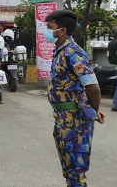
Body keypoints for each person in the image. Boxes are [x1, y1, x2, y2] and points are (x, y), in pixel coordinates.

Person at [44, 10, 105, 187]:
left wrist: (93, 111)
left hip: (75, 119)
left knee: (76, 170)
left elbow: (92, 87)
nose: (47, 32)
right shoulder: (61, 51)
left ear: (61, 30)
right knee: (69, 168)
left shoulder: (73, 53)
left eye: (50, 28)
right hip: (63, 117)